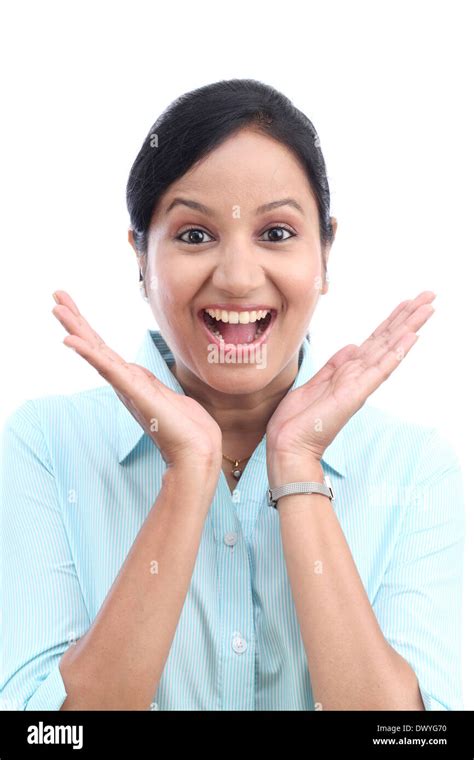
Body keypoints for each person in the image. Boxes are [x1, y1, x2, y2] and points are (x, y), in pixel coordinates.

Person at [0, 79, 464, 711]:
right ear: (139, 254)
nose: (240, 278)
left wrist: (298, 467)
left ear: (325, 252)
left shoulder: (413, 466)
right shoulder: (45, 447)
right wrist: (189, 474)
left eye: (276, 233)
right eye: (194, 235)